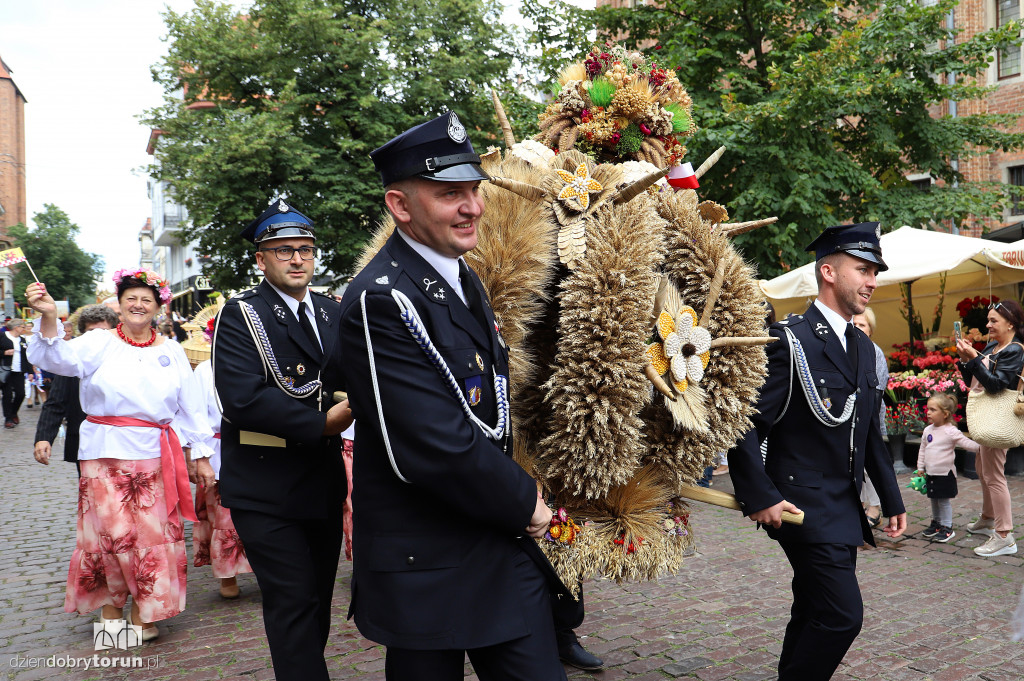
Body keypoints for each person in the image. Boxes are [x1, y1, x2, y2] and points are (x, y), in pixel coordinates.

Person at [339, 111, 575, 681]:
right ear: (400, 205)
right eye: (450, 193)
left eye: (474, 189)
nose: (473, 206)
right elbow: (431, 444)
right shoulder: (382, 299)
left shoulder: (461, 275)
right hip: (427, 560)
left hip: (492, 541)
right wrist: (528, 504)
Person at [727, 222, 907, 681]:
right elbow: (744, 425)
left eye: (874, 272)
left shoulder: (863, 347)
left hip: (843, 507)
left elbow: (868, 432)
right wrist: (760, 494)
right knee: (842, 615)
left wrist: (892, 498)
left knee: (812, 608)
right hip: (800, 505)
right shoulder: (790, 341)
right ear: (828, 271)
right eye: (862, 269)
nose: (871, 281)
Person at [24, 270, 212, 642]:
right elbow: (55, 357)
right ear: (120, 304)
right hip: (104, 454)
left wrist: (201, 455)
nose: (138, 305)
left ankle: (146, 610)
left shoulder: (172, 350)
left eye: (146, 299)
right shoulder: (98, 342)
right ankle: (111, 608)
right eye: (131, 298)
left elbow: (191, 408)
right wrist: (48, 316)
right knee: (111, 536)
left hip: (156, 455)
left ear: (159, 306)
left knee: (152, 536)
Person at [212, 199, 351, 681]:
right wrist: (322, 424)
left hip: (322, 483)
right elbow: (242, 400)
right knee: (292, 602)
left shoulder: (334, 312)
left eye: (306, 250)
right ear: (261, 259)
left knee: (314, 602)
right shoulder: (242, 314)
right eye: (284, 250)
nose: (297, 259)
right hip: (267, 489)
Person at [957, 299, 1024, 557]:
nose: (988, 325)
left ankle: (1005, 536)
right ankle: (988, 517)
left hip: (999, 417)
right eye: (989, 320)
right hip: (987, 415)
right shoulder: (994, 346)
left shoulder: (1014, 350)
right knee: (981, 467)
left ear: (1011, 323)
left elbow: (997, 386)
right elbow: (973, 380)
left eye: (994, 320)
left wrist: (975, 358)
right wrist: (966, 360)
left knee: (994, 475)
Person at [191, 358, 253, 598]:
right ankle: (228, 576)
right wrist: (198, 454)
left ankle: (265, 569)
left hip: (256, 445)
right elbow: (195, 413)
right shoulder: (206, 369)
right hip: (218, 447)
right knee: (223, 515)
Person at [34, 305, 120, 474]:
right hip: (85, 441)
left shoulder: (124, 358)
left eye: (102, 332)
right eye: (91, 332)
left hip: (122, 441)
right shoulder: (72, 361)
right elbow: (56, 402)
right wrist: (43, 438)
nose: (97, 338)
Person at [916, 393, 979, 543]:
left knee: (943, 501)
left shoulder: (951, 431)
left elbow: (966, 443)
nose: (928, 412)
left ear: (945, 414)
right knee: (933, 499)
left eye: (932, 409)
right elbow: (923, 449)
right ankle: (936, 523)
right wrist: (920, 467)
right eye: (928, 409)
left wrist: (983, 448)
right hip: (931, 473)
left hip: (945, 473)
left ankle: (947, 527)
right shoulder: (928, 430)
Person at [852, 307, 889, 526]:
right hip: (850, 416)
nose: (857, 328)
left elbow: (877, 390)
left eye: (862, 325)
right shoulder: (847, 349)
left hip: (870, 415)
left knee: (870, 461)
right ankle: (862, 503)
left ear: (871, 329)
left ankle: (875, 507)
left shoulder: (875, 352)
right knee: (855, 462)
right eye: (854, 324)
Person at [1, 318, 29, 428]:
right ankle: (8, 419)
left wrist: (30, 372)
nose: (24, 329)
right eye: (23, 327)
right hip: (6, 370)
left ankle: (13, 412)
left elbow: (26, 357)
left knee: (21, 394)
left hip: (19, 370)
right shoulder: (3, 336)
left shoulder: (22, 340)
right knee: (7, 395)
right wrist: (4, 352)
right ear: (16, 327)